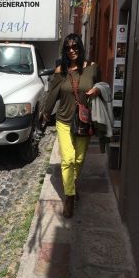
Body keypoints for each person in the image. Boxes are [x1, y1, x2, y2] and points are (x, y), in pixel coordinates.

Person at [42, 33, 101, 218]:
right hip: (64, 121)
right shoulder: (61, 70)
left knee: (79, 159)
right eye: (67, 48)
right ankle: (69, 197)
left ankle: (73, 183)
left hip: (84, 121)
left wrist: (97, 89)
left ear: (80, 48)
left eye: (75, 47)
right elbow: (52, 94)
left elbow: (101, 84)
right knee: (67, 159)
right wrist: (45, 112)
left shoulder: (91, 68)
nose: (71, 50)